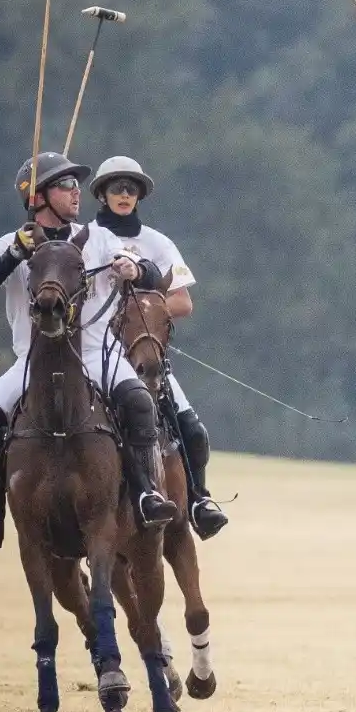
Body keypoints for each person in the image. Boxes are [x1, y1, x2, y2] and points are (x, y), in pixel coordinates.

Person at [0, 152, 178, 550]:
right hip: (32, 361)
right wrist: (14, 256)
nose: (77, 192)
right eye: (65, 185)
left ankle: (146, 493)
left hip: (97, 354)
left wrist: (135, 271)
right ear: (37, 196)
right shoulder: (11, 243)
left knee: (140, 404)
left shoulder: (99, 238)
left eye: (77, 185)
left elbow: (156, 277)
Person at [87, 156, 228, 540]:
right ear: (101, 193)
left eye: (132, 188)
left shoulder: (158, 243)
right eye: (117, 187)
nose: (125, 194)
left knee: (192, 430)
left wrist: (144, 309)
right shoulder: (84, 239)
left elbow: (183, 302)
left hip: (144, 355)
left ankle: (199, 499)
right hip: (94, 352)